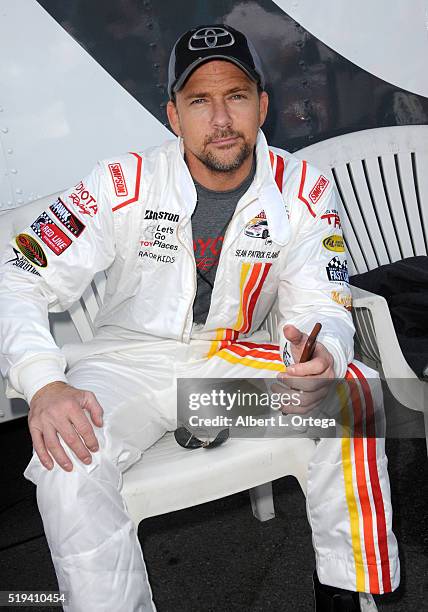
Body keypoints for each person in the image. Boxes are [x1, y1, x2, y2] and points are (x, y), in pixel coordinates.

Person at [0, 24, 399, 612]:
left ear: (262, 106)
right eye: (199, 101)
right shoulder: (120, 184)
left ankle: (345, 595)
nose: (220, 118)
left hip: (225, 365)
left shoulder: (303, 189)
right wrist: (44, 382)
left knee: (353, 395)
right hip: (123, 366)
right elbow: (18, 272)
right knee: (67, 463)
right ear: (172, 115)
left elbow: (322, 301)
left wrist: (326, 355)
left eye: (235, 96)